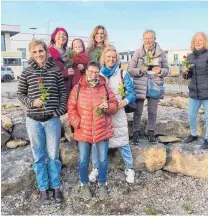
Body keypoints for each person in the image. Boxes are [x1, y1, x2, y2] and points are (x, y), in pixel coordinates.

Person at [17, 40, 67, 204]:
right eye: (35, 52)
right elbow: (20, 94)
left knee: (53, 156)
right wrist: (32, 103)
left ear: (46, 51)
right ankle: (43, 188)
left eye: (41, 51)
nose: (38, 54)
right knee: (38, 156)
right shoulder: (27, 72)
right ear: (31, 54)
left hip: (52, 120)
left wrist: (58, 112)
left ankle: (56, 186)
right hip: (33, 121)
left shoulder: (55, 71)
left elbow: (63, 94)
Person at [68, 61, 118, 200]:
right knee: (83, 160)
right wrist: (78, 123)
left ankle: (102, 183)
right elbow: (71, 109)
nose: (93, 74)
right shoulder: (77, 88)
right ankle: (84, 184)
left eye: (96, 72)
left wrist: (107, 106)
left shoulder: (105, 87)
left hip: (102, 129)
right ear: (86, 72)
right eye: (90, 71)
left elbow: (115, 105)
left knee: (102, 160)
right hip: (83, 131)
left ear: (99, 73)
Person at [89, 46, 136, 184]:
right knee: (96, 142)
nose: (111, 59)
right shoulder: (98, 74)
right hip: (101, 113)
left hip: (118, 112)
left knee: (123, 141)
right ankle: (96, 168)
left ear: (117, 59)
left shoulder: (123, 74)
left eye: (113, 57)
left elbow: (131, 93)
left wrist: (125, 100)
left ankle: (129, 168)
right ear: (103, 58)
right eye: (108, 57)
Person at [128, 30, 169, 145]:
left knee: (152, 111)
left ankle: (151, 132)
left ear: (155, 39)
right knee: (138, 111)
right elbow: (130, 69)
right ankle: (136, 132)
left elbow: (167, 70)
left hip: (155, 84)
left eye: (150, 38)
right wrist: (140, 70)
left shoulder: (161, 53)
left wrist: (160, 71)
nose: (148, 40)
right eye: (145, 38)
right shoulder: (137, 53)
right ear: (142, 39)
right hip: (140, 85)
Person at [182, 32, 208, 149]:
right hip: (195, 92)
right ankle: (194, 134)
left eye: (200, 40)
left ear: (205, 42)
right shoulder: (190, 57)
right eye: (195, 40)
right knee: (191, 114)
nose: (198, 42)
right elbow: (188, 76)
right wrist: (184, 72)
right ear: (193, 43)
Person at [49, 27, 75, 95]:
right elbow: (47, 72)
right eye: (59, 34)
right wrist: (64, 73)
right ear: (54, 37)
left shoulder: (70, 52)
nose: (62, 36)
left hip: (67, 87)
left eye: (64, 34)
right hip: (54, 88)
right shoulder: (49, 52)